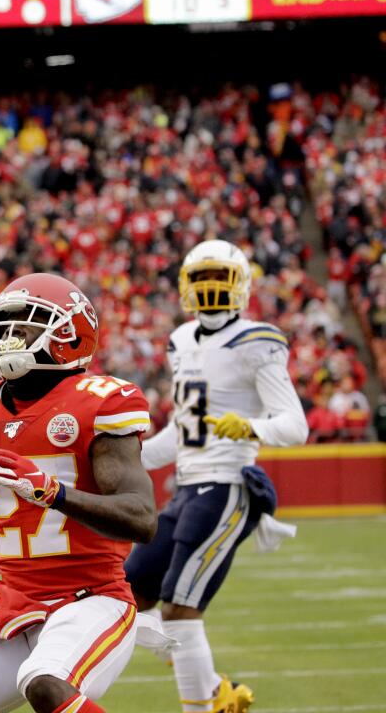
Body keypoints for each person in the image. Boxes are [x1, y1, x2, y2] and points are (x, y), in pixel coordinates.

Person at [0, 273, 161, 713]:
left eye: (25, 326)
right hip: (15, 604)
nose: (8, 338)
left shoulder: (100, 403)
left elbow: (141, 518)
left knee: (45, 684)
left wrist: (54, 493)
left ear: (70, 335)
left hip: (91, 598)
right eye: (4, 326)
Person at [126, 240, 309, 713]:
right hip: (188, 486)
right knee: (126, 595)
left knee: (180, 610)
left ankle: (203, 706)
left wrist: (251, 426)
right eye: (200, 277)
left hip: (227, 485)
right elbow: (180, 433)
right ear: (187, 285)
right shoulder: (181, 340)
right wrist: (124, 457)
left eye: (218, 277)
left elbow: (295, 425)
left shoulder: (257, 342)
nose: (209, 287)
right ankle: (215, 693)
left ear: (240, 284)